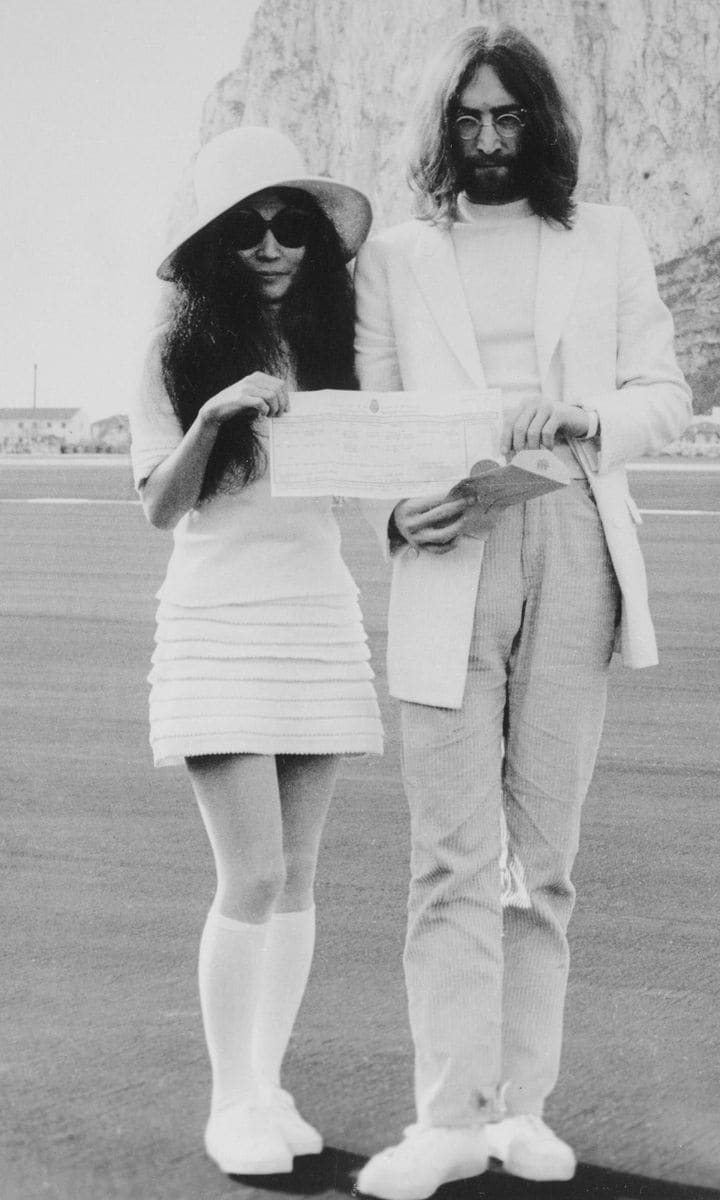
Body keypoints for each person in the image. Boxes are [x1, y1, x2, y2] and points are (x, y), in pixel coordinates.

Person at [353, 23, 691, 1200]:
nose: (490, 140)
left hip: (577, 537)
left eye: (509, 118)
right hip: (449, 548)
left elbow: (667, 391)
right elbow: (372, 414)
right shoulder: (395, 255)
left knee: (543, 860)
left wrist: (590, 414)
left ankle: (523, 1110)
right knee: (447, 855)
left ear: (539, 123)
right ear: (443, 127)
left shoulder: (605, 236)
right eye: (469, 119)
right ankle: (445, 1119)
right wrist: (400, 518)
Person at [129, 126, 383, 1178]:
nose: (275, 246)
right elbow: (159, 505)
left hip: (316, 612)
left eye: (292, 228)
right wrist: (217, 413)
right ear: (214, 248)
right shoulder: (173, 351)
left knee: (302, 877)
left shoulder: (340, 347)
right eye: (250, 230)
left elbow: (377, 474)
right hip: (220, 621)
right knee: (254, 871)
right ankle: (231, 1101)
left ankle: (268, 1081)